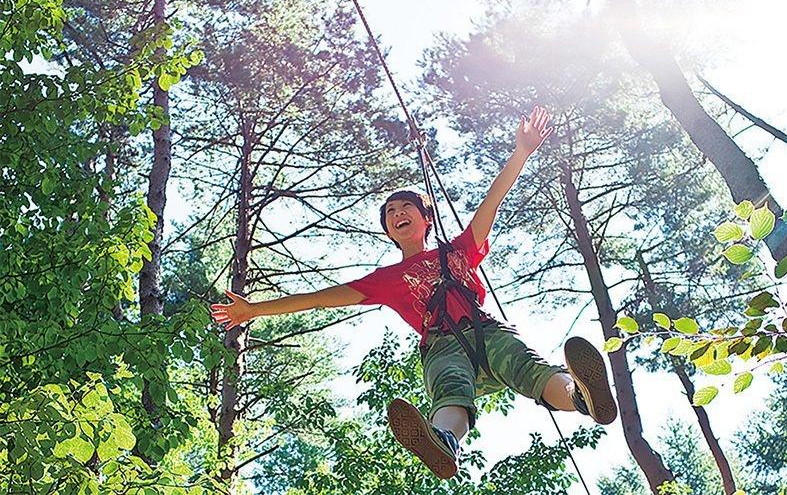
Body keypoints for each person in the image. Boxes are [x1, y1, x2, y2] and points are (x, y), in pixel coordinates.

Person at [210, 106, 617, 479]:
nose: (398, 214)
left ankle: (581, 398)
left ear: (426, 219)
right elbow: (318, 297)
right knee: (450, 389)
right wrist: (255, 310)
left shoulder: (459, 249)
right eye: (390, 213)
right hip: (441, 345)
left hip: (486, 330)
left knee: (532, 371)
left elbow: (492, 202)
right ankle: (443, 443)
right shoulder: (387, 279)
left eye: (406, 208)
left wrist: (522, 152)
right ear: (388, 230)